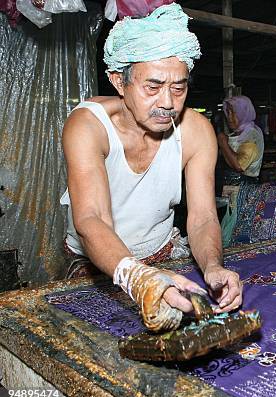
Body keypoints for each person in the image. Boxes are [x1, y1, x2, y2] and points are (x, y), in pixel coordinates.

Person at [60, 4, 241, 332]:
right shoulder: (88, 126)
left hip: (162, 252)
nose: (168, 102)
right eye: (153, 87)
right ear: (119, 82)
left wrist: (213, 266)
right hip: (95, 263)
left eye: (179, 87)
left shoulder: (196, 131)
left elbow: (200, 217)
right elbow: (92, 220)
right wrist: (139, 277)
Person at [216, 96, 264, 185]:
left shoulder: (252, 135)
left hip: (245, 187)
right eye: (228, 112)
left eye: (233, 113)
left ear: (243, 113)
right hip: (231, 185)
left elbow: (239, 166)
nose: (229, 117)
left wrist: (223, 144)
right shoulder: (234, 134)